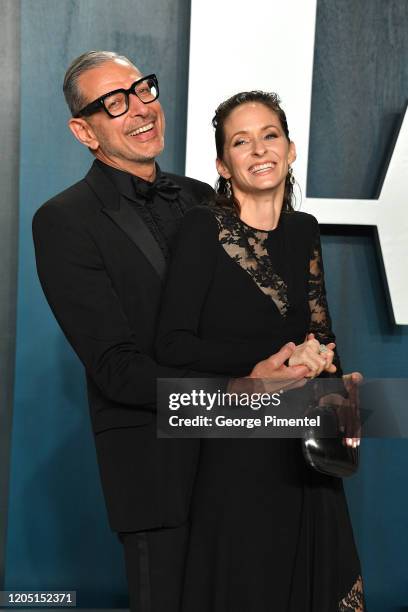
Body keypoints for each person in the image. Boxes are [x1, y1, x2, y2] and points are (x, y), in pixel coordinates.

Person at [32, 52, 311, 612]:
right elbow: (117, 369)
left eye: (143, 90)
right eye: (114, 102)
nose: (139, 109)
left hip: (249, 464)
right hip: (159, 475)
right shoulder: (64, 221)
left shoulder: (205, 199)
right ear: (83, 130)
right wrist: (238, 390)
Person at [156, 91, 364, 611]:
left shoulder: (303, 230)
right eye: (241, 142)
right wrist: (257, 370)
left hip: (305, 443)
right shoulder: (202, 228)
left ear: (290, 149)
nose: (259, 150)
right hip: (237, 442)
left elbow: (321, 330)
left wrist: (335, 383)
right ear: (224, 165)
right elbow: (172, 342)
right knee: (248, 582)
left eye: (269, 135)